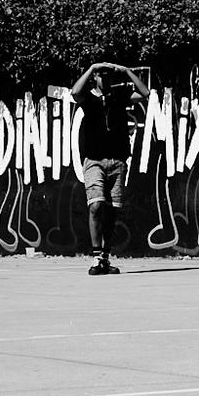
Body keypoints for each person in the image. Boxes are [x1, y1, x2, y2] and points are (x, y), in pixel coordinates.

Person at [72, 60, 148, 275]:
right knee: (96, 206)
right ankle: (96, 258)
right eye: (101, 75)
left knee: (112, 212)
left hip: (118, 160)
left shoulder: (119, 95)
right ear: (95, 77)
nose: (105, 78)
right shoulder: (88, 98)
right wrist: (90, 68)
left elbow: (144, 93)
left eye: (108, 75)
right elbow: (75, 92)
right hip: (94, 160)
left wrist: (127, 70)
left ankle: (105, 258)